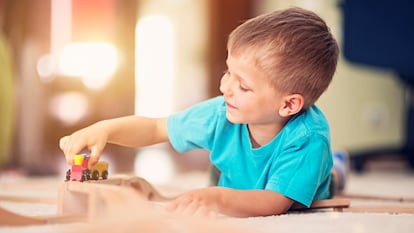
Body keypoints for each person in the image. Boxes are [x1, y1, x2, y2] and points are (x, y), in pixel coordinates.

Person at [60, 7, 340, 217]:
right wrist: (105, 130)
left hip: (289, 186)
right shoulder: (221, 112)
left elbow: (273, 202)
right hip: (233, 181)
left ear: (289, 105)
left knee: (330, 178)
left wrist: (216, 198)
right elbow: (156, 128)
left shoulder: (308, 139)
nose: (226, 87)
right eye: (228, 71)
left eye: (242, 85)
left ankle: (337, 167)